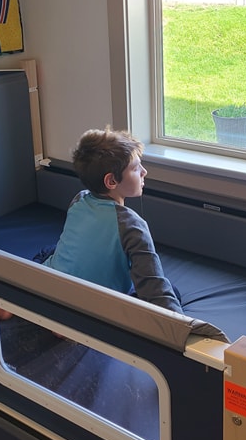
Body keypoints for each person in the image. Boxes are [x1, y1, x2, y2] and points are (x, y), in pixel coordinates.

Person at [42, 128, 184, 315]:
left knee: (48, 252)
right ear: (111, 181)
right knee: (172, 291)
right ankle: (70, 319)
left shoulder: (79, 199)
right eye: (135, 168)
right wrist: (181, 327)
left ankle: (31, 300)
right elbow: (153, 284)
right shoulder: (132, 225)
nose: (144, 172)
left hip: (49, 285)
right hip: (92, 307)